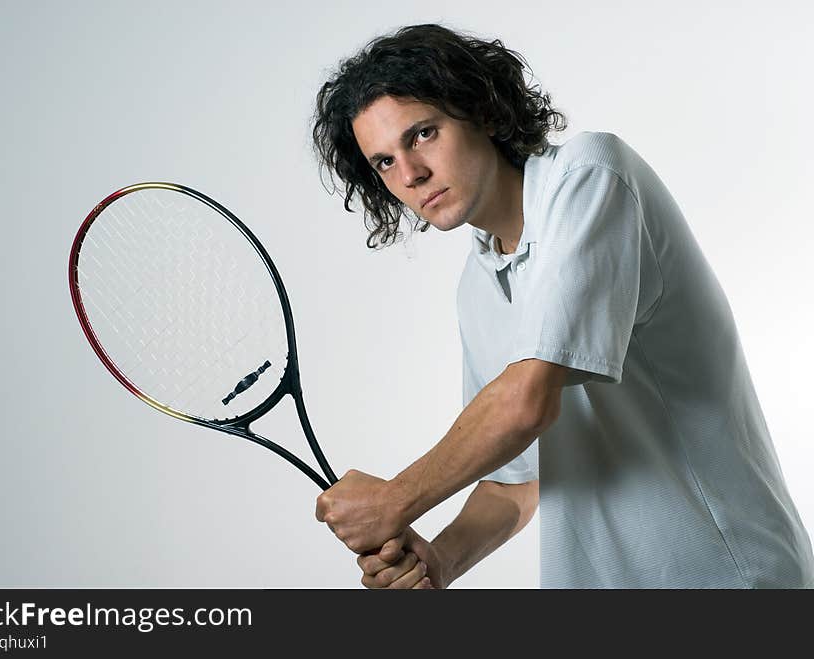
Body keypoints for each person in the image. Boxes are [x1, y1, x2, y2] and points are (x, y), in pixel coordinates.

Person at [310, 23, 814, 588]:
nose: (410, 174)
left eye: (423, 134)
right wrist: (443, 560)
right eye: (383, 162)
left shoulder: (591, 175)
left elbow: (526, 402)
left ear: (486, 112)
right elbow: (516, 481)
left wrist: (396, 498)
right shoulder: (476, 285)